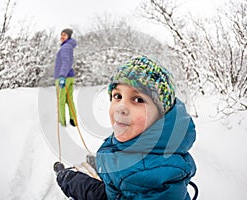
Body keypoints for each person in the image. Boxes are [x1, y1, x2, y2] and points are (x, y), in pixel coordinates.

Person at [54, 55, 197, 199]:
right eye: (117, 96)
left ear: (161, 115)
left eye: (138, 99)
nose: (120, 107)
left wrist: (74, 184)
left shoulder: (153, 177)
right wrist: (107, 164)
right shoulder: (138, 142)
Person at [54, 28, 77, 127]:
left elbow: (66, 61)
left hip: (64, 77)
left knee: (61, 100)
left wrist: (62, 76)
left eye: (64, 35)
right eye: (61, 35)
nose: (62, 37)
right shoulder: (69, 46)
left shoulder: (65, 47)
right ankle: (73, 121)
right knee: (69, 99)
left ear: (69, 36)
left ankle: (61, 123)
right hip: (69, 76)